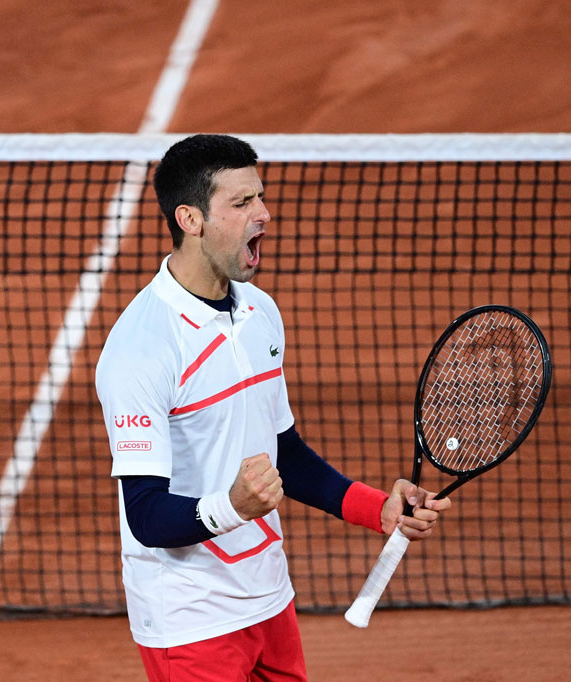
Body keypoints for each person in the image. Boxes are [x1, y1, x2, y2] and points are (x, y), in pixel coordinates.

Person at [94, 134, 452, 681]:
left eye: (259, 197)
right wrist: (232, 506)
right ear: (190, 219)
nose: (264, 214)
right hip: (191, 621)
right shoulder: (141, 350)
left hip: (269, 598)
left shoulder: (259, 312)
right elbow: (145, 516)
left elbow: (282, 450)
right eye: (241, 204)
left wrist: (375, 507)